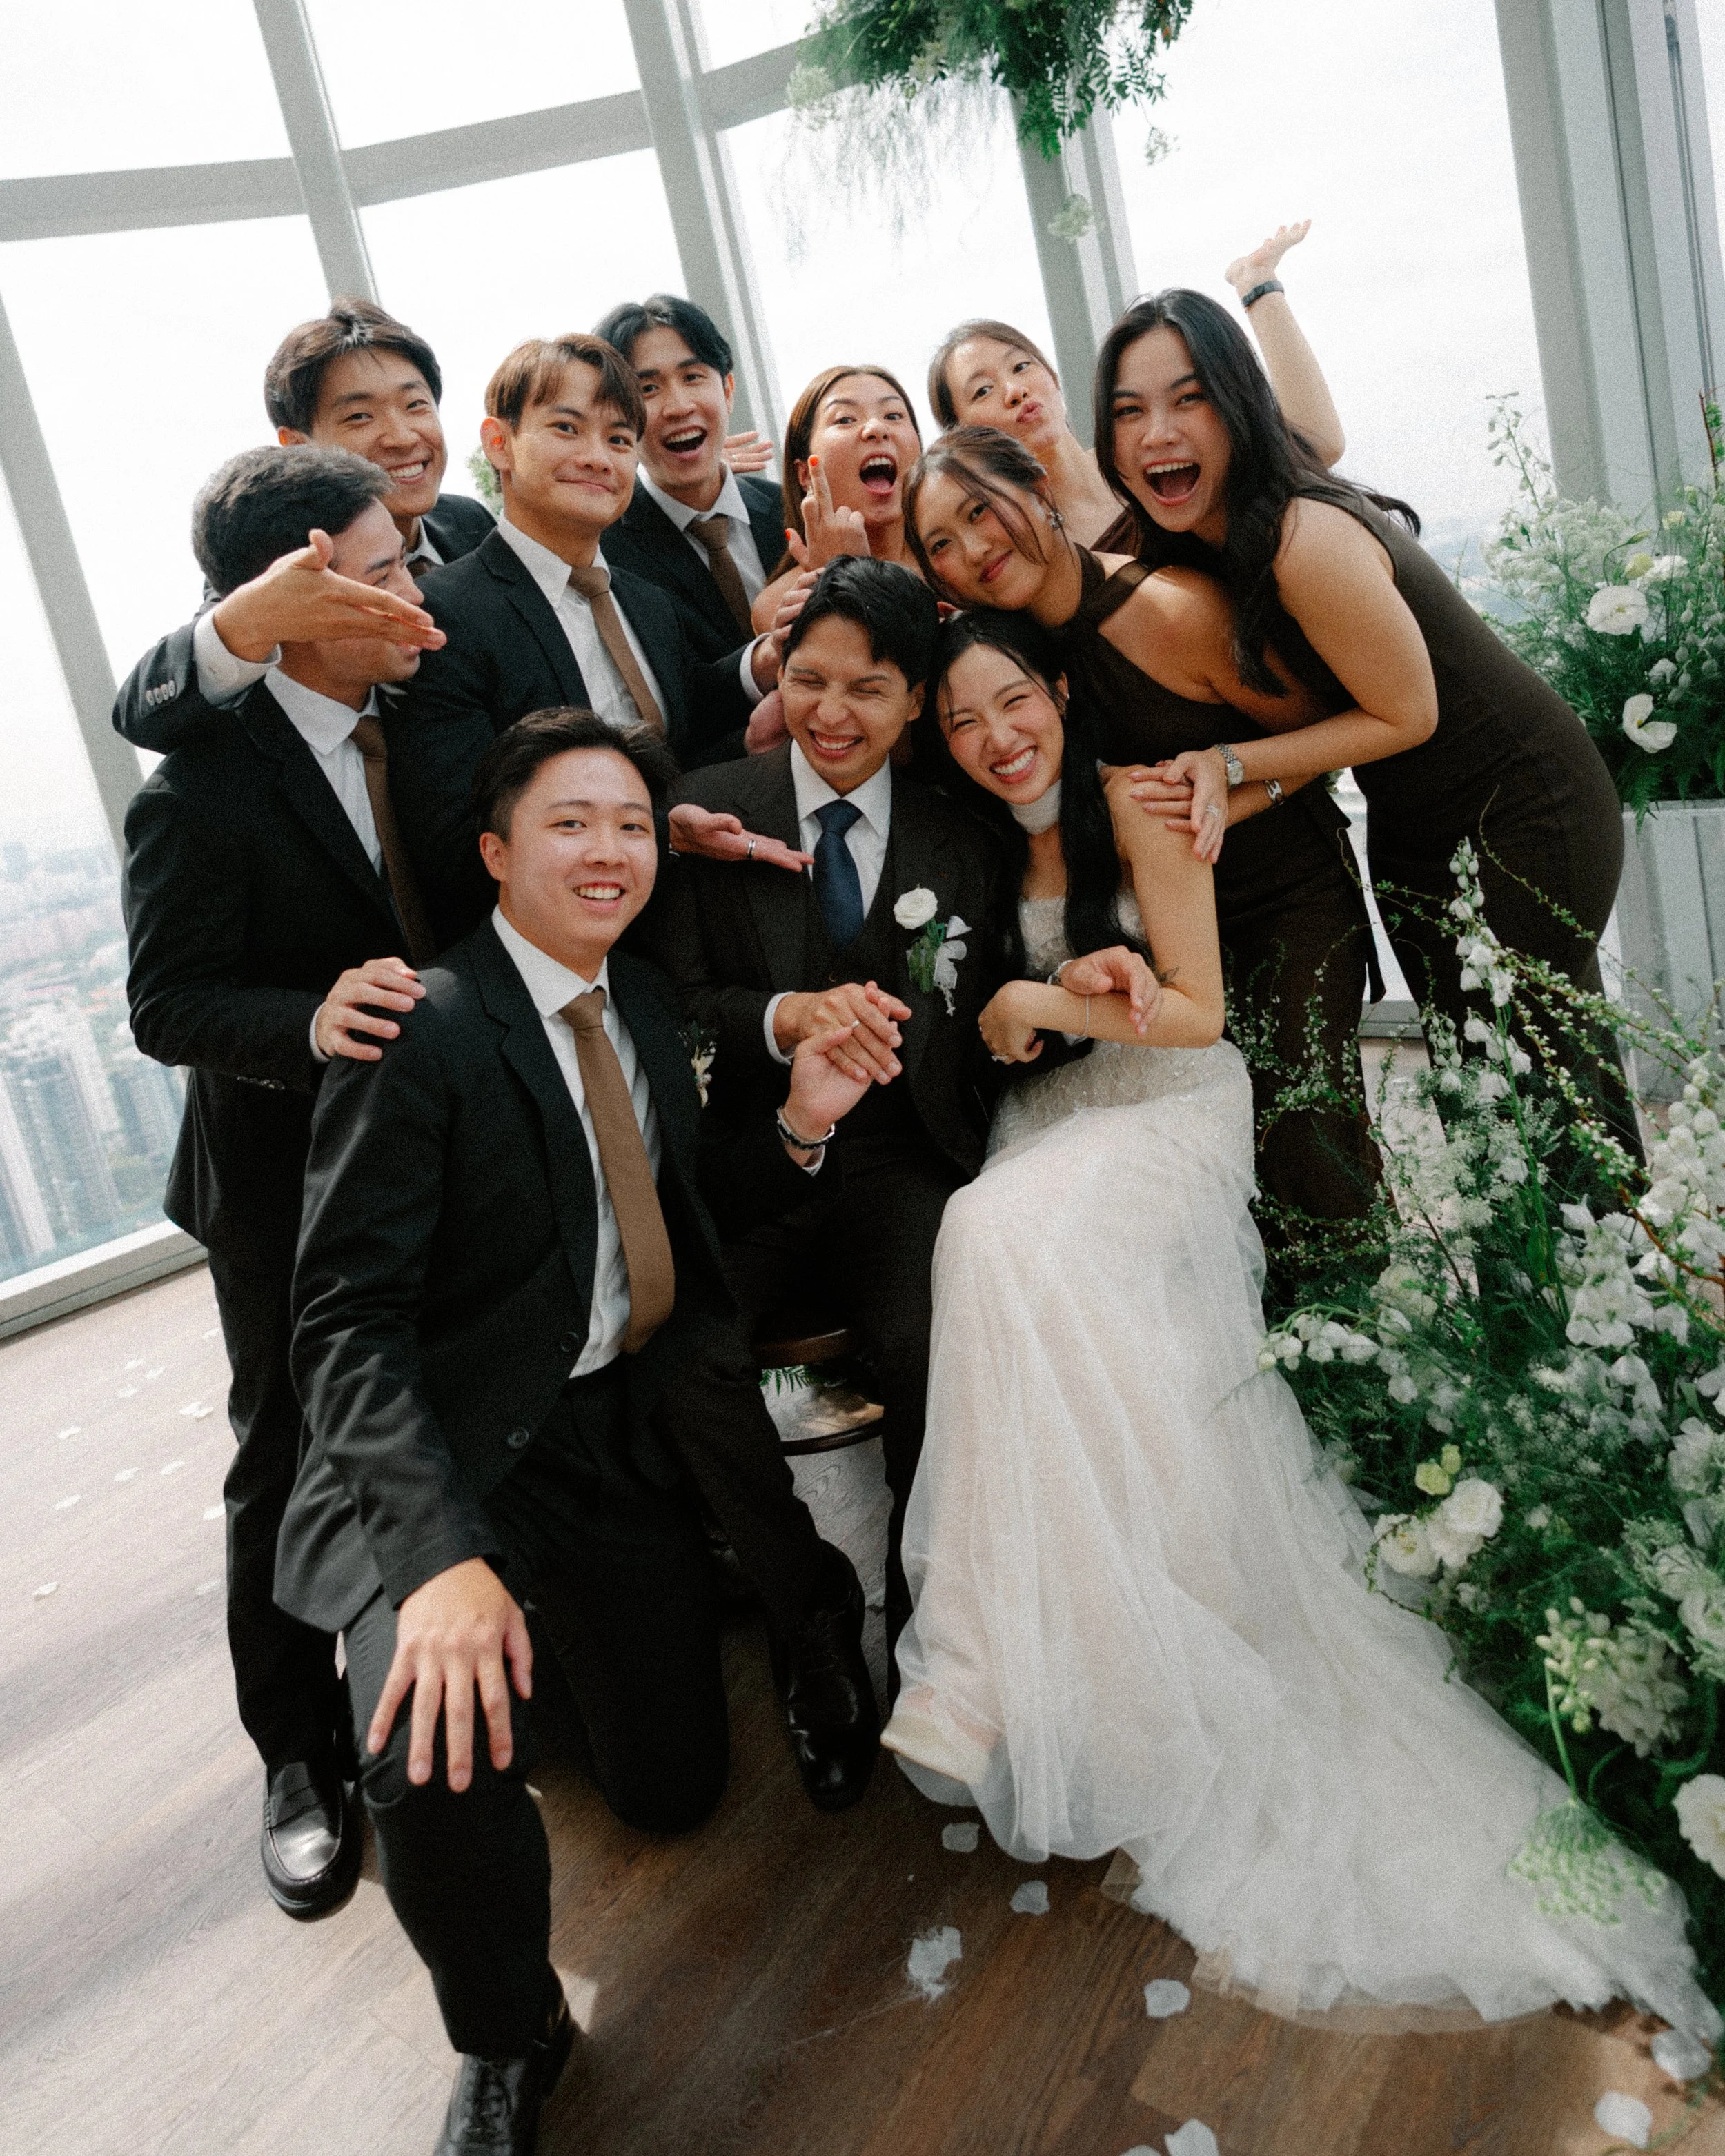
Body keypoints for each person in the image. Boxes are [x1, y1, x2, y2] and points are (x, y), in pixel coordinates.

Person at [882, 608, 1722, 2046]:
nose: (993, 735)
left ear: (1058, 692)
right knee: (1013, 1265)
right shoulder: (958, 854)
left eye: (1010, 700)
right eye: (960, 721)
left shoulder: (1138, 805)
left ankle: (965, 1661)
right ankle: (1108, 1663)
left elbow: (1202, 1013)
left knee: (992, 1234)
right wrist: (1016, 1012)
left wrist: (1071, 993)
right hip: (1047, 1120)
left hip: (1168, 1113)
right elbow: (987, 1032)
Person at [275, 712, 880, 2156]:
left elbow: (679, 1204)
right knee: (424, 1751)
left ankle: (542, 1669)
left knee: (671, 1790)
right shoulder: (419, 1024)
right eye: (568, 821)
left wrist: (800, 1118)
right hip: (449, 1448)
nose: (607, 849)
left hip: (607, 1425)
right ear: (494, 852)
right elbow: (342, 1324)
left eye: (627, 822)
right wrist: (433, 1561)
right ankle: (507, 2032)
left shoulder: (642, 1016)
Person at [644, 557, 1145, 1650]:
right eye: (810, 680)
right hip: (750, 1154)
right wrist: (787, 1016)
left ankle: (936, 1625)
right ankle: (809, 1619)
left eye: (868, 689)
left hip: (899, 1158)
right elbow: (680, 996)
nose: (832, 712)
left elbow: (980, 1033)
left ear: (916, 698)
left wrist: (1070, 994)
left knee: (931, 1341)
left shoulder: (959, 838)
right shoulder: (707, 811)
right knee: (687, 1358)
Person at [121, 444, 442, 1921]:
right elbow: (168, 1003)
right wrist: (308, 1021)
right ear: (294, 591)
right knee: (283, 1445)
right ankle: (296, 1752)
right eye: (381, 570)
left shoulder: (426, 711)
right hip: (277, 1170)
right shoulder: (198, 791)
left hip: (439, 1145)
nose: (412, 590)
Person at [1094, 287, 1626, 1058]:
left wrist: (1230, 764)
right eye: (1127, 411)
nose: (1157, 433)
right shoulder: (1211, 531)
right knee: (1503, 1083)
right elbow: (1321, 729)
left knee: (1522, 1078)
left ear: (1239, 405)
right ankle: (1625, 1188)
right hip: (1418, 826)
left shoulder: (1300, 537)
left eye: (1190, 399)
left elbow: (1409, 714)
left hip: (1523, 809)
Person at [907, 424, 1379, 1242]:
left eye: (982, 510)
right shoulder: (1021, 647)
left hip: (1275, 888)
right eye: (941, 542)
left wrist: (1225, 781)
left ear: (1040, 489)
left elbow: (1328, 726)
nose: (975, 546)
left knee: (1312, 1152)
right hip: (1164, 898)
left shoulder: (1165, 609)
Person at [386, 333, 769, 946]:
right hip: (544, 955)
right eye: (567, 429)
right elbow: (455, 840)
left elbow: (683, 741)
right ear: (498, 445)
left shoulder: (647, 603)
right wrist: (661, 831)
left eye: (619, 439)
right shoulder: (445, 616)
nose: (598, 457)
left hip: (691, 932)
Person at [112, 299, 488, 759]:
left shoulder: (469, 525)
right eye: (360, 417)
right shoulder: (283, 566)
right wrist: (248, 618)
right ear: (296, 447)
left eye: (416, 405)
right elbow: (142, 717)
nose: (404, 436)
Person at [926, 222, 1346, 548]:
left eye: (1020, 366)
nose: (1014, 390)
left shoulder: (1142, 457)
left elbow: (1316, 447)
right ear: (962, 435)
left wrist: (1259, 288)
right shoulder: (1018, 545)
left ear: (1053, 379)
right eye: (982, 390)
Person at [593, 294, 785, 665]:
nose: (679, 406)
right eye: (648, 388)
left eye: (692, 377)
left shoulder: (791, 514)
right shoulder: (605, 554)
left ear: (728, 390)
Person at [747, 365, 925, 634]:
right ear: (805, 474)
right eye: (845, 420)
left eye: (893, 415)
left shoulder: (953, 559)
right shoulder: (781, 604)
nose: (877, 428)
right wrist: (839, 580)